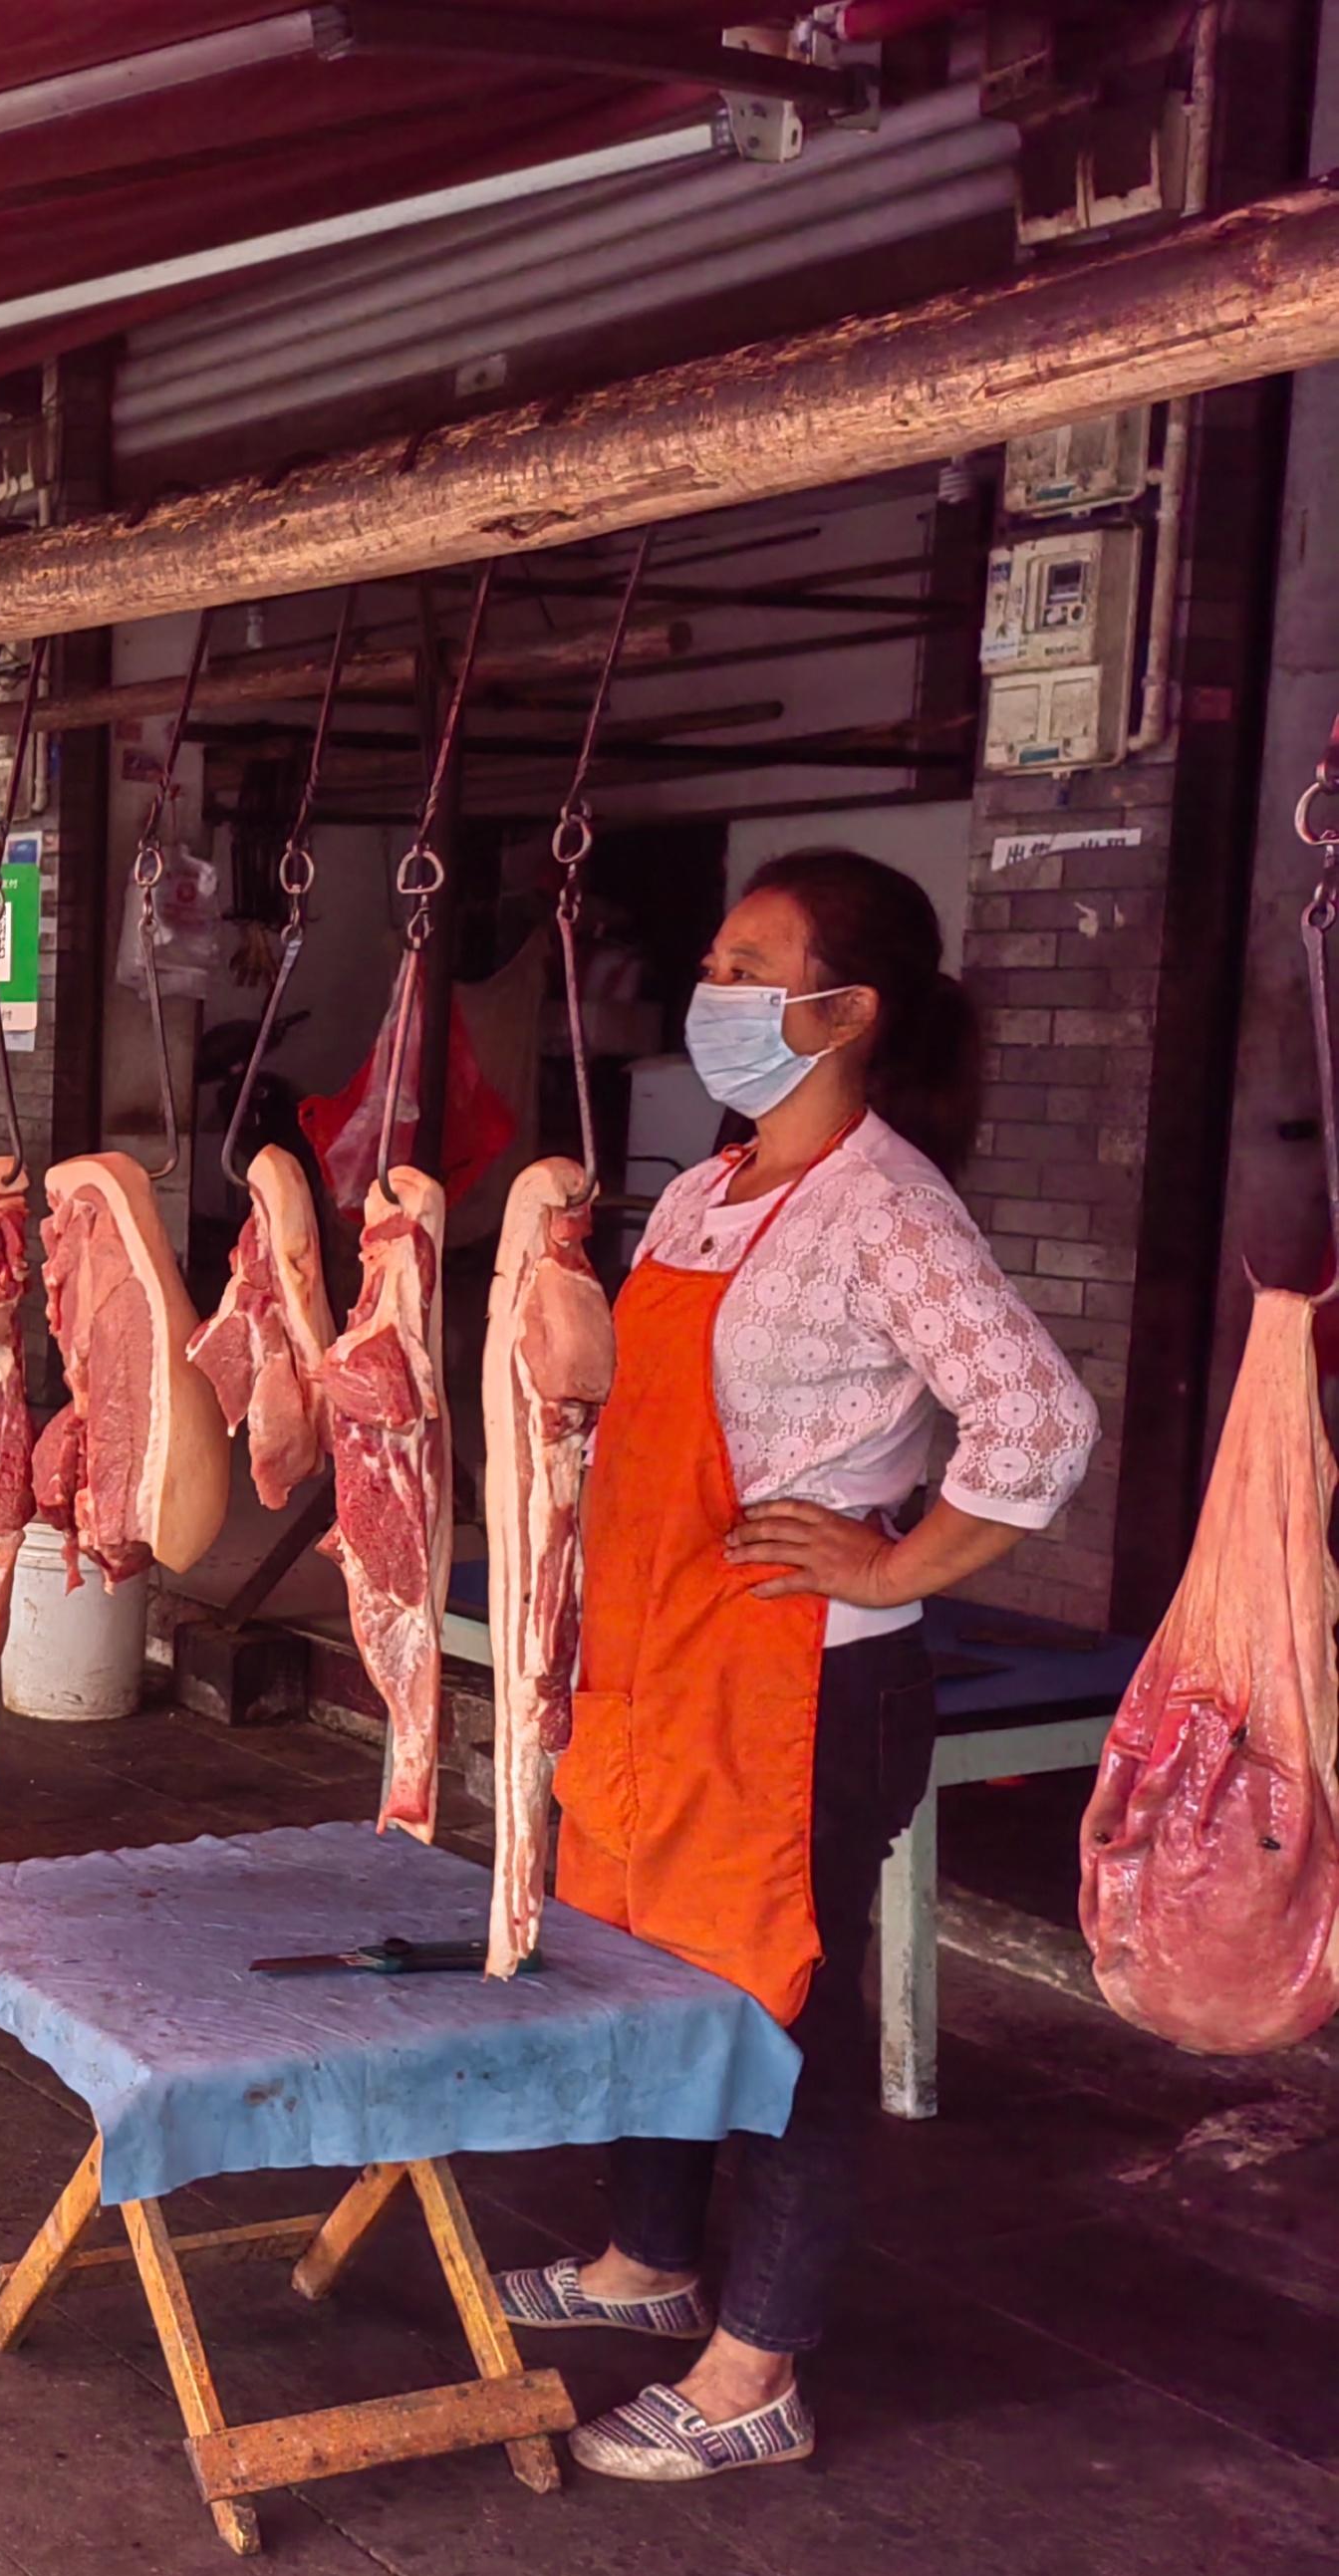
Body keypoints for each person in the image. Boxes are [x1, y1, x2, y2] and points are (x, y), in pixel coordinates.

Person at [499, 848, 1098, 2480]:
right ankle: (643, 2257)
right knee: (647, 1963)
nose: (710, 990)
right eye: (712, 957)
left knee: (782, 2000)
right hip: (660, 1654)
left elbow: (1037, 1420)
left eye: (744, 962)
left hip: (807, 1679)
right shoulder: (710, 1181)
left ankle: (754, 2361)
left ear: (841, 1009)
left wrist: (899, 1556)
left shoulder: (885, 1202)